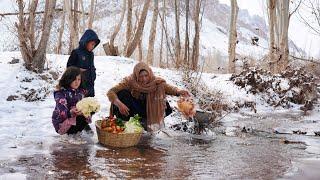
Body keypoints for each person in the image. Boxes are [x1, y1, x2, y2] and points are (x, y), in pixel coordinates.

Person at [106, 62, 189, 131]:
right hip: (134, 108)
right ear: (136, 75)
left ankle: (146, 121)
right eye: (141, 76)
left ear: (150, 74)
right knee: (122, 94)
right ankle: (126, 122)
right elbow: (111, 92)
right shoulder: (130, 81)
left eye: (146, 75)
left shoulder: (155, 82)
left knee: (165, 104)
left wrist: (178, 91)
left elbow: (168, 88)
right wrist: (120, 104)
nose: (144, 79)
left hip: (148, 109)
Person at [67, 29, 100, 132]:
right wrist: (78, 70)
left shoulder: (91, 54)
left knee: (91, 106)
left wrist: (93, 74)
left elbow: (91, 67)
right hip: (79, 85)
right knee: (80, 106)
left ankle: (85, 123)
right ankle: (77, 125)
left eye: (94, 45)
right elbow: (68, 68)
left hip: (90, 84)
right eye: (92, 44)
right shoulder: (76, 52)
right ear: (86, 41)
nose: (93, 46)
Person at [52, 67, 92, 135]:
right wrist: (71, 112)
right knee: (81, 118)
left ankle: (79, 130)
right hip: (62, 124)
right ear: (68, 79)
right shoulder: (60, 93)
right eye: (74, 79)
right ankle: (70, 134)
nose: (77, 82)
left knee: (90, 110)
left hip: (75, 119)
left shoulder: (80, 92)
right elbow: (62, 112)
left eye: (79, 79)